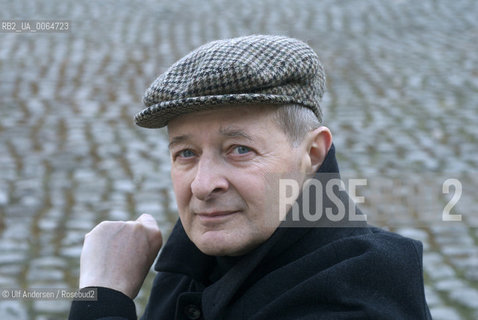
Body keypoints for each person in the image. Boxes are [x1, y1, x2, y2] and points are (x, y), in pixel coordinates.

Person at [69, 35, 432, 319]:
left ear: (312, 154)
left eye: (239, 150)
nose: (202, 184)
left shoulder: (357, 299)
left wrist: (101, 297)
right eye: (186, 154)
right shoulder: (192, 259)